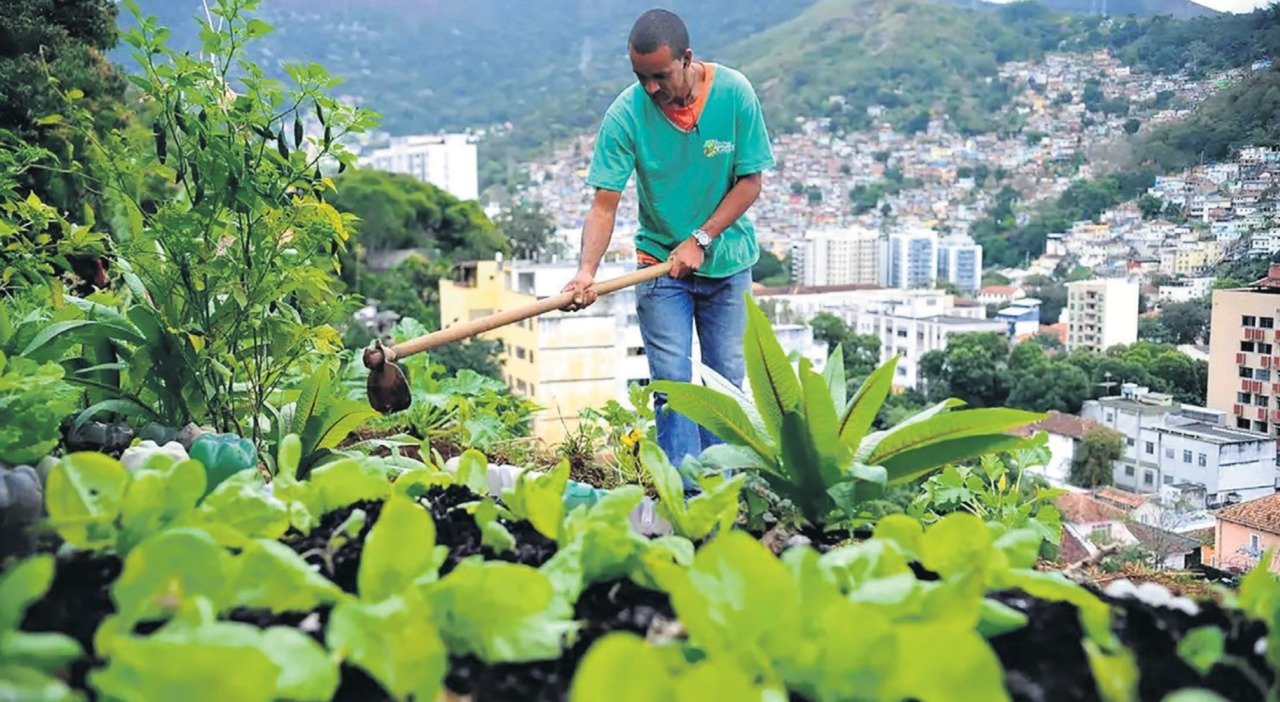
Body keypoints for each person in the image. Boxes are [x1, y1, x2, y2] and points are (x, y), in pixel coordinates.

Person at [560, 8, 775, 480]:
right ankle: (683, 495)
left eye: (659, 76)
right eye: (641, 77)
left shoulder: (734, 94)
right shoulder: (626, 114)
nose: (651, 88)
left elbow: (750, 181)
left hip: (728, 264)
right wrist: (586, 272)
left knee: (724, 386)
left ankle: (724, 489)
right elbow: (604, 204)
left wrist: (701, 237)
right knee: (673, 385)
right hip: (659, 266)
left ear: (687, 60)